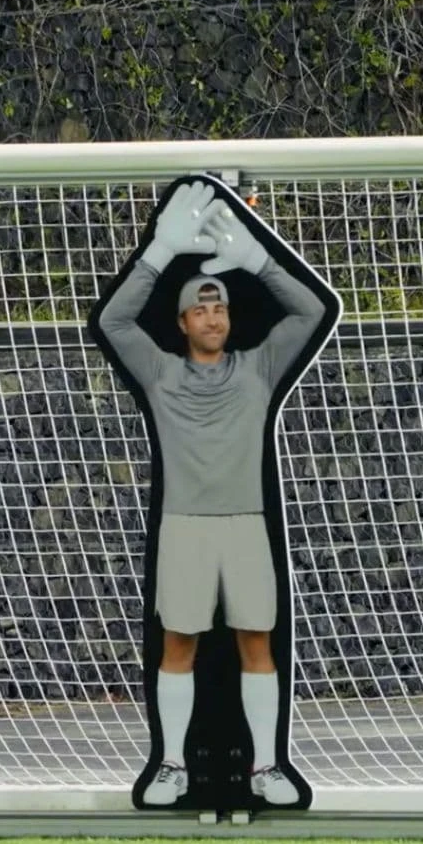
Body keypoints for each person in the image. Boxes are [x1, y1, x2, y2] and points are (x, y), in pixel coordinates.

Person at [97, 180, 327, 807]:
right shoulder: (161, 373)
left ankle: (266, 767)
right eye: (200, 309)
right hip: (186, 525)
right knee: (179, 644)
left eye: (220, 307)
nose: (212, 316)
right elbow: (113, 319)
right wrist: (159, 252)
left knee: (258, 641)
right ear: (181, 321)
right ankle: (171, 764)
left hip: (245, 525)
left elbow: (309, 311)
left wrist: (256, 261)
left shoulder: (257, 368)